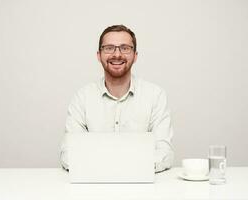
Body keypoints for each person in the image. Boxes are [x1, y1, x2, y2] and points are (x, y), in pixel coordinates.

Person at [60, 24, 174, 173]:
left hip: (142, 189)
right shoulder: (82, 97)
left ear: (135, 55)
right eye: (109, 48)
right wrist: (122, 165)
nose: (117, 54)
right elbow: (69, 153)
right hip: (92, 188)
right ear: (98, 55)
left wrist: (113, 166)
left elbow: (164, 152)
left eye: (125, 48)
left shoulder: (155, 96)